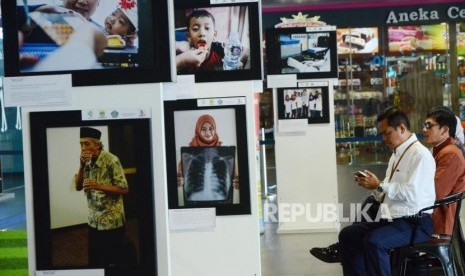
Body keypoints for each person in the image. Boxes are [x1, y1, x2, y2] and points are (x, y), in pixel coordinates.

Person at [310, 106, 465, 263]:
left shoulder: (448, 154)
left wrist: (383, 187)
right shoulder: (429, 151)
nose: (424, 130)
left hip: (427, 216)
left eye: (429, 126)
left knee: (372, 217)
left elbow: (433, 192)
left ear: (445, 130)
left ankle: (347, 249)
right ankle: (349, 247)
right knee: (371, 205)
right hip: (413, 210)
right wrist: (381, 187)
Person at [340, 106, 436, 275]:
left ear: (402, 128)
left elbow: (412, 194)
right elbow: (389, 191)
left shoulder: (420, 155)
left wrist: (379, 185)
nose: (384, 138)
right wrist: (373, 186)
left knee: (375, 242)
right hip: (392, 218)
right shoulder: (396, 154)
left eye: (387, 133)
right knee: (348, 235)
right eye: (382, 134)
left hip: (415, 222)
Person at [74, 127, 128, 267]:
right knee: (96, 260)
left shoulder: (112, 160)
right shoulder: (86, 162)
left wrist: (98, 186)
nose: (83, 148)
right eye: (81, 144)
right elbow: (78, 187)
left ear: (97, 145)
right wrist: (81, 166)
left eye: (87, 144)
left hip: (111, 221)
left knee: (114, 261)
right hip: (93, 221)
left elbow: (124, 188)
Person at [177, 114, 239, 205]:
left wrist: (238, 184)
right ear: (198, 130)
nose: (208, 133)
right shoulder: (187, 156)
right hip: (195, 208)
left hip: (221, 206)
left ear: (215, 129)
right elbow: (178, 178)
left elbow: (236, 179)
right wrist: (178, 182)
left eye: (211, 129)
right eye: (203, 129)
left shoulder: (227, 157)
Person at [176, 9, 248, 73]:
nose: (202, 33)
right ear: (189, 36)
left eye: (207, 28)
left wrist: (238, 64)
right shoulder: (184, 53)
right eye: (195, 29)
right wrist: (183, 60)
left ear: (214, 35)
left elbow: (245, 51)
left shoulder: (219, 48)